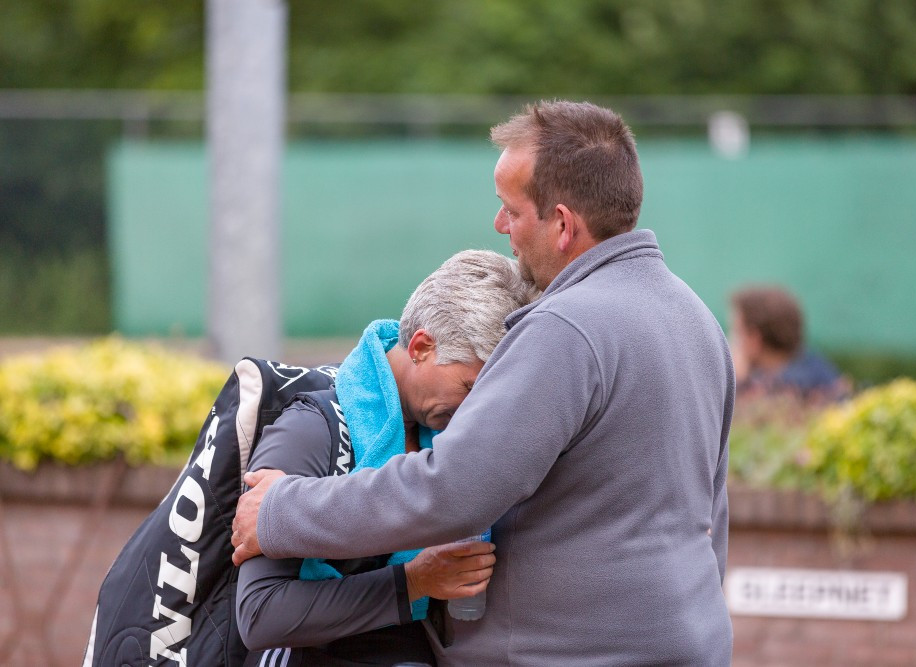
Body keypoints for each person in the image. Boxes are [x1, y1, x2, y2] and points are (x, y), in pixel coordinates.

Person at [233, 100, 735, 665]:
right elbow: (710, 518)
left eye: (511, 210)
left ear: (562, 224)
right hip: (693, 643)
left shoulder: (565, 327)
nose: (500, 226)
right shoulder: (696, 320)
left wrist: (282, 511)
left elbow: (450, 491)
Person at [236, 249, 538, 666]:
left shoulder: (452, 441)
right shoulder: (312, 427)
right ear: (421, 346)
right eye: (470, 388)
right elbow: (259, 615)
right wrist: (413, 582)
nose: (477, 411)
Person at [729, 285, 848, 403]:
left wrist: (734, 379)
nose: (731, 341)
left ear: (754, 338)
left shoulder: (779, 391)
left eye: (737, 331)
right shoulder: (816, 367)